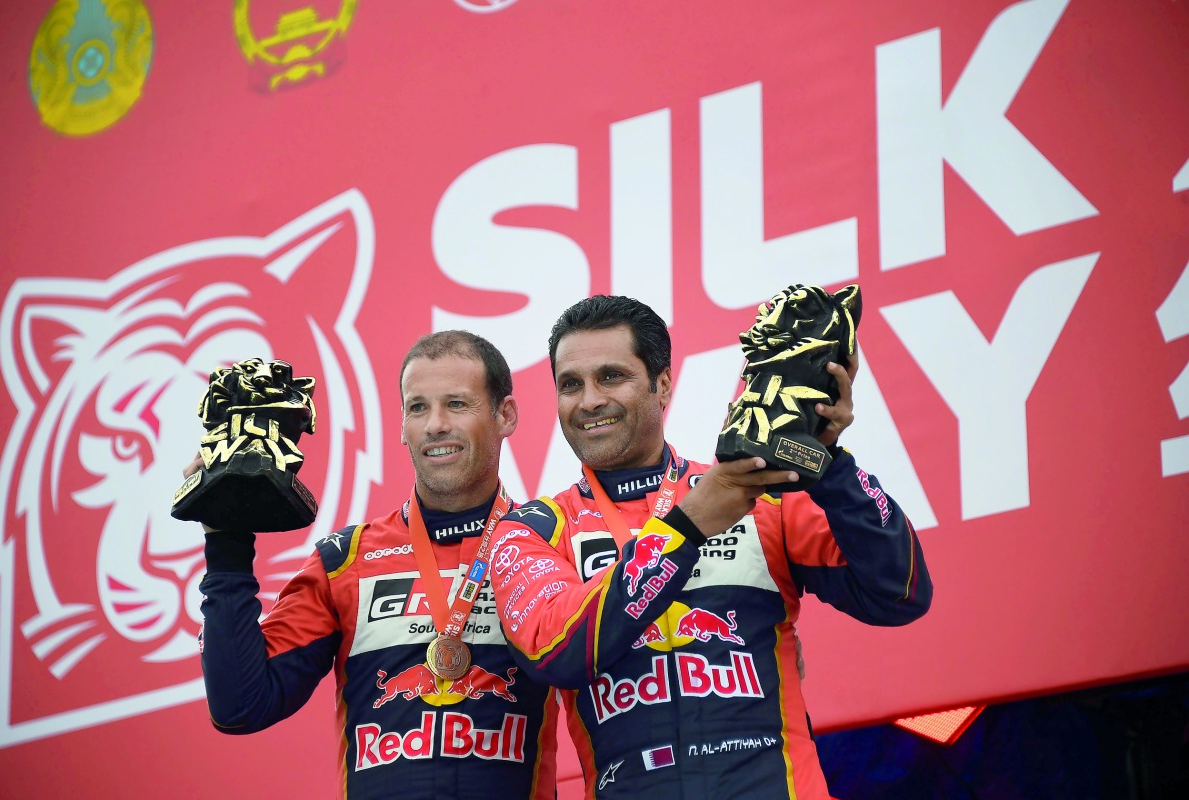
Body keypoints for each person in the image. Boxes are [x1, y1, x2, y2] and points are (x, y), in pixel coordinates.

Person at [485, 295, 932, 799]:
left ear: (662, 385)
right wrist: (691, 523)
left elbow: (900, 591)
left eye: (611, 376)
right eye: (571, 384)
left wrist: (829, 464)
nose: (589, 400)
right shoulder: (536, 528)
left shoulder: (758, 497)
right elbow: (556, 650)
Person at [189, 332, 560, 800]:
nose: (435, 425)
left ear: (505, 415)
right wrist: (226, 539)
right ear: (401, 424)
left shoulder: (548, 544)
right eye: (418, 407)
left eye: (457, 404)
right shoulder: (344, 560)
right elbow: (240, 705)